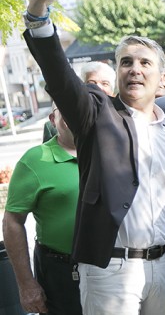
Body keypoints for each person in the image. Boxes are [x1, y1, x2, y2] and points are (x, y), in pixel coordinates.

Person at [25, 0, 165, 313]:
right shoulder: (98, 114)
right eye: (125, 62)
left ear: (163, 79)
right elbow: (60, 76)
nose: (134, 69)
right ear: (116, 73)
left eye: (145, 63)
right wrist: (38, 12)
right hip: (110, 270)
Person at [2, 103, 81, 315]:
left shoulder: (108, 152)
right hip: (61, 274)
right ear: (52, 120)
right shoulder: (34, 160)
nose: (73, 113)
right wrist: (26, 284)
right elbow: (12, 222)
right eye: (65, 108)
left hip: (112, 270)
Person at [43, 61, 116, 142]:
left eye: (105, 83)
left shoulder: (123, 118)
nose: (98, 87)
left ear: (112, 92)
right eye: (91, 83)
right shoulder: (60, 123)